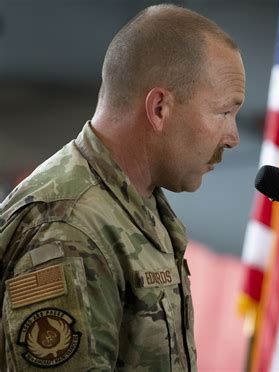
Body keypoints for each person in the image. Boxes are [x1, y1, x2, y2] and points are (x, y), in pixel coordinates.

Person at [0, 4, 245, 371]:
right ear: (159, 108)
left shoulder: (138, 203)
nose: (234, 138)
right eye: (224, 112)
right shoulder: (68, 229)